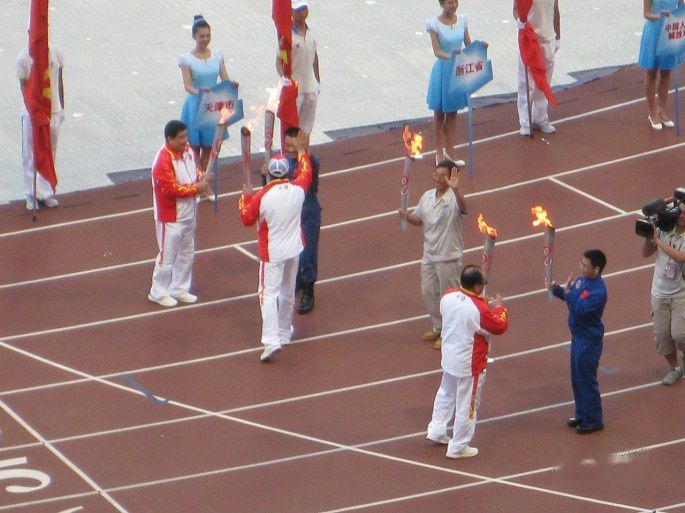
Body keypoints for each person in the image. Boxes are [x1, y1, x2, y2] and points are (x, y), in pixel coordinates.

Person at [240, 131, 313, 362]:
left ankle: (271, 341)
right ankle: (284, 332)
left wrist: (245, 198)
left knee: (268, 295)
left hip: (272, 253)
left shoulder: (262, 197)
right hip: (294, 249)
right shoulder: (298, 189)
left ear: (269, 173)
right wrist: (301, 151)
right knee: (288, 292)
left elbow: (246, 219)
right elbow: (306, 172)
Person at [426, 265, 509, 458]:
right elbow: (499, 326)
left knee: (446, 392)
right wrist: (499, 308)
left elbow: (467, 312)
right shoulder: (479, 309)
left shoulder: (447, 296)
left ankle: (437, 429)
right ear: (477, 286)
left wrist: (482, 302)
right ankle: (458, 446)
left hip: (449, 356)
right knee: (468, 404)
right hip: (469, 363)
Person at [398, 160, 467, 350]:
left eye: (442, 175)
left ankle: (450, 333)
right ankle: (439, 327)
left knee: (449, 298)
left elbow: (464, 208)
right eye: (435, 174)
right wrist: (406, 216)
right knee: (429, 292)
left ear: (451, 178)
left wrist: (457, 190)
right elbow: (418, 220)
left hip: (448, 256)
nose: (437, 178)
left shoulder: (454, 199)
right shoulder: (427, 196)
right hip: (429, 254)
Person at [148, 120, 212, 307]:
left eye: (186, 136)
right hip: (171, 217)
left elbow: (193, 171)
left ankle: (180, 288)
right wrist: (197, 188)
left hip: (189, 213)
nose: (185, 140)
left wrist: (201, 176)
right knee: (167, 257)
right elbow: (171, 189)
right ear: (170, 139)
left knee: (186, 253)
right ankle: (157, 292)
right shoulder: (162, 161)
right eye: (181, 138)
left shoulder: (188, 151)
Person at [548, 250, 608, 434]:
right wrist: (557, 289)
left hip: (589, 341)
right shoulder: (581, 280)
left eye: (585, 266)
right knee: (576, 379)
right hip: (577, 337)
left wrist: (567, 293)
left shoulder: (599, 292)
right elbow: (570, 296)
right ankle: (582, 414)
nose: (581, 268)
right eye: (581, 264)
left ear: (596, 269)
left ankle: (594, 420)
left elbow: (579, 309)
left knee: (587, 380)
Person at [426, 0, 485, 167]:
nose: (454, 5)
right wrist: (452, 56)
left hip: (457, 70)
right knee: (439, 113)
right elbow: (437, 51)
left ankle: (450, 150)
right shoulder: (434, 25)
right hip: (443, 71)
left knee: (453, 113)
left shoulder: (462, 21)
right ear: (442, 4)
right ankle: (439, 152)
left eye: (455, 1)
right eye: (450, 2)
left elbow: (468, 44)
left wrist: (480, 46)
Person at [179, 15, 239, 172]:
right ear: (194, 37)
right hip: (195, 105)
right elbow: (187, 86)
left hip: (212, 105)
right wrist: (200, 91)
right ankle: (195, 178)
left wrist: (231, 84)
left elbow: (224, 78)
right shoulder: (186, 59)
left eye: (207, 36)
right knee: (193, 148)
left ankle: (204, 177)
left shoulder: (217, 55)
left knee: (210, 147)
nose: (205, 39)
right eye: (201, 36)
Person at [17, 43, 64, 210]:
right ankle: (31, 193)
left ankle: (45, 191)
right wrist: (32, 110)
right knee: (29, 153)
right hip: (32, 112)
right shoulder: (23, 58)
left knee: (50, 151)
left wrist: (62, 107)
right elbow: (23, 87)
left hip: (53, 109)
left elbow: (59, 81)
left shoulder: (56, 52)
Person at [642, 202, 685, 385]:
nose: (681, 215)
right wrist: (649, 237)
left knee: (680, 335)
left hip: (681, 293)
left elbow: (680, 257)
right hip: (659, 292)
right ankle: (675, 368)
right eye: (680, 211)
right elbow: (645, 253)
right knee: (662, 338)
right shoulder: (664, 227)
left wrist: (658, 241)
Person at [282, 126, 321, 314]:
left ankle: (308, 291)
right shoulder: (284, 162)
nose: (289, 149)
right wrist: (265, 175)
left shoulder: (311, 161)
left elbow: (308, 175)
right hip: (291, 215)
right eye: (286, 145)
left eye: (292, 145)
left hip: (308, 213)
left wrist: (302, 150)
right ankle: (297, 280)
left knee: (308, 254)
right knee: (292, 251)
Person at [513, 0, 560, 136]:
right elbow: (515, 9)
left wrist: (558, 37)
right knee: (526, 82)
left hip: (548, 38)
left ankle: (540, 118)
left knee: (544, 81)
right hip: (529, 39)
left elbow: (555, 10)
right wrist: (521, 24)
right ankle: (525, 121)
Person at [637, 0, 684, 130]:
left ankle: (661, 110)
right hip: (654, 31)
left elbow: (682, 8)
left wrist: (679, 20)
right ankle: (652, 112)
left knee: (666, 71)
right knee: (651, 71)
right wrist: (661, 16)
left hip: (670, 31)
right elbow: (646, 14)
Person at [276, 0, 321, 134]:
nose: (301, 13)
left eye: (303, 9)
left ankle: (305, 148)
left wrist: (318, 81)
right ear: (291, 12)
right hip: (295, 90)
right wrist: (284, 78)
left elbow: (315, 58)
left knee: (306, 128)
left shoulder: (311, 34)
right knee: (292, 128)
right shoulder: (287, 37)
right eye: (297, 10)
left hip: (310, 88)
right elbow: (279, 61)